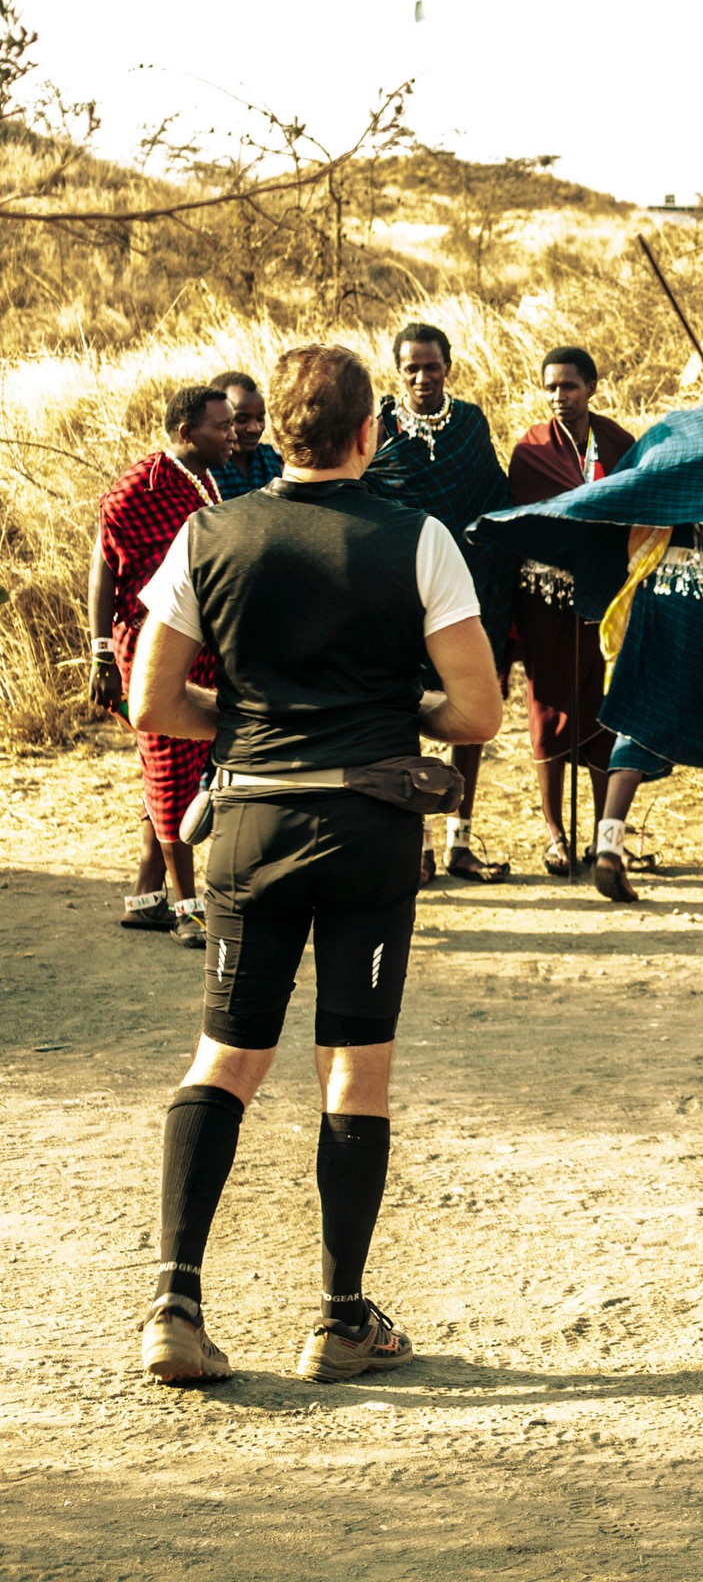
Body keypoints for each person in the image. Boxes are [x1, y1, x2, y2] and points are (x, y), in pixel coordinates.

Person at [128, 342, 503, 1386]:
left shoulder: (211, 531)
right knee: (354, 1067)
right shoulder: (418, 537)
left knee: (226, 1056)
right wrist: (390, 717)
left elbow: (151, 703)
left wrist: (247, 720)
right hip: (367, 828)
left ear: (273, 432)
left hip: (246, 823)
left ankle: (174, 1305)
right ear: (367, 433)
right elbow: (474, 710)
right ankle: (340, 1320)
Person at [475, 364, 703, 902]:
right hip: (702, 596)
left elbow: (634, 480)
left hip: (652, 589)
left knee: (642, 709)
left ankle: (613, 843)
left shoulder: (674, 431)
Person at [363, 323, 513, 885]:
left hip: (469, 589)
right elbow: (363, 497)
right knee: (408, 713)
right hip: (400, 593)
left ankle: (460, 840)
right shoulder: (379, 427)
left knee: (468, 712)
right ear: (397, 370)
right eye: (412, 368)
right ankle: (417, 845)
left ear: (448, 366)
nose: (423, 377)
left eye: (432, 366)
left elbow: (493, 498)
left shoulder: (469, 423)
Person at [90, 386, 235, 945]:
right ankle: (188, 909)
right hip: (150, 648)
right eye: (219, 427)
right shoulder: (137, 489)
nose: (231, 435)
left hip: (195, 645)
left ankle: (146, 896)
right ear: (184, 433)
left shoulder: (206, 479)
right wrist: (101, 654)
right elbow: (103, 571)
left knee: (172, 770)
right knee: (172, 773)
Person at [504, 346, 637, 875]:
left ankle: (608, 836)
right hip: (545, 598)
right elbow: (526, 520)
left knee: (602, 711)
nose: (559, 397)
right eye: (551, 388)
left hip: (603, 597)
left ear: (591, 387)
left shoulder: (620, 442)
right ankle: (555, 834)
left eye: (569, 386)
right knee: (547, 709)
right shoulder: (530, 449)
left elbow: (634, 503)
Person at [207, 371, 283, 497]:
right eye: (242, 419)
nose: (255, 428)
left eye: (260, 418)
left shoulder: (272, 460)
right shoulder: (205, 471)